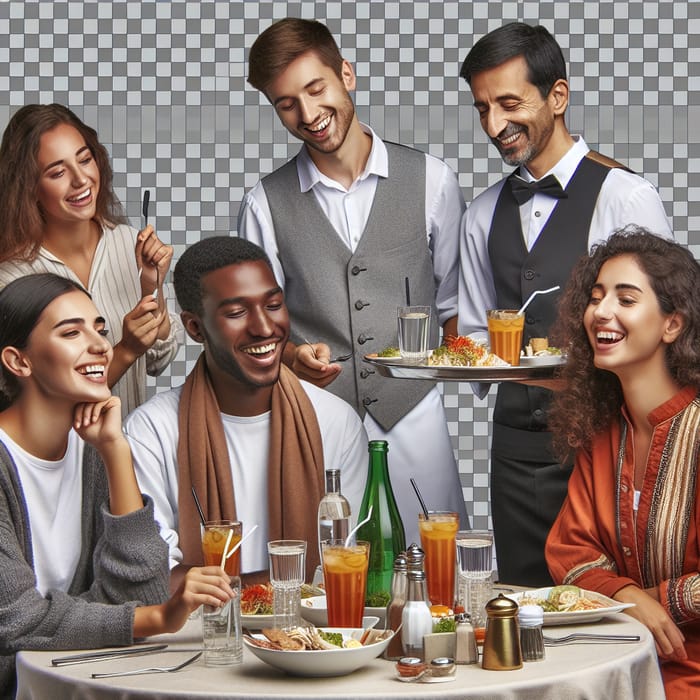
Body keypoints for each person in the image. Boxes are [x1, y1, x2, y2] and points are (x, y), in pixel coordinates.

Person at [237, 18, 468, 545]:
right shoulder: (262, 204)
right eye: (286, 103)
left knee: (437, 572)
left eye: (316, 89)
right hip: (318, 422)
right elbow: (256, 327)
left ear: (347, 74)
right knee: (334, 579)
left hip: (415, 418)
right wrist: (294, 357)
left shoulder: (433, 180)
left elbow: (454, 303)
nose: (308, 114)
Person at [457, 22, 672, 586]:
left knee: (608, 610)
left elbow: (660, 334)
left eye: (508, 103)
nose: (494, 125)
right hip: (514, 452)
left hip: (606, 444)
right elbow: (476, 335)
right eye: (482, 109)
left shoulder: (626, 196)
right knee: (525, 609)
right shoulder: (480, 214)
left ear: (557, 95)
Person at [0, 273, 234, 698]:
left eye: (100, 328)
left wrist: (115, 451)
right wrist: (159, 619)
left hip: (68, 680)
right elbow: (16, 619)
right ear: (19, 361)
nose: (100, 346)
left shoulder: (91, 450)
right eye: (72, 332)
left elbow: (139, 590)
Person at [124, 236, 368, 586]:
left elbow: (349, 558)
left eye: (272, 305)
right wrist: (277, 587)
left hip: (317, 634)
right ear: (195, 327)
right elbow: (156, 574)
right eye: (237, 313)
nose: (264, 328)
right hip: (201, 634)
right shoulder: (151, 431)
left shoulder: (336, 421)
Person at [545, 228, 700, 698]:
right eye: (596, 298)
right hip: (611, 657)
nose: (602, 312)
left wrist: (656, 603)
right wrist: (627, 598)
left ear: (672, 324)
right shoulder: (601, 433)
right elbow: (571, 551)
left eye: (626, 299)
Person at [0, 104, 182, 416]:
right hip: (52, 463)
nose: (80, 180)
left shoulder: (129, 243)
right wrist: (125, 350)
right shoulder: (10, 279)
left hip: (125, 455)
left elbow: (157, 361)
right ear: (29, 187)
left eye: (85, 160)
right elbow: (29, 406)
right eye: (57, 172)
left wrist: (152, 290)